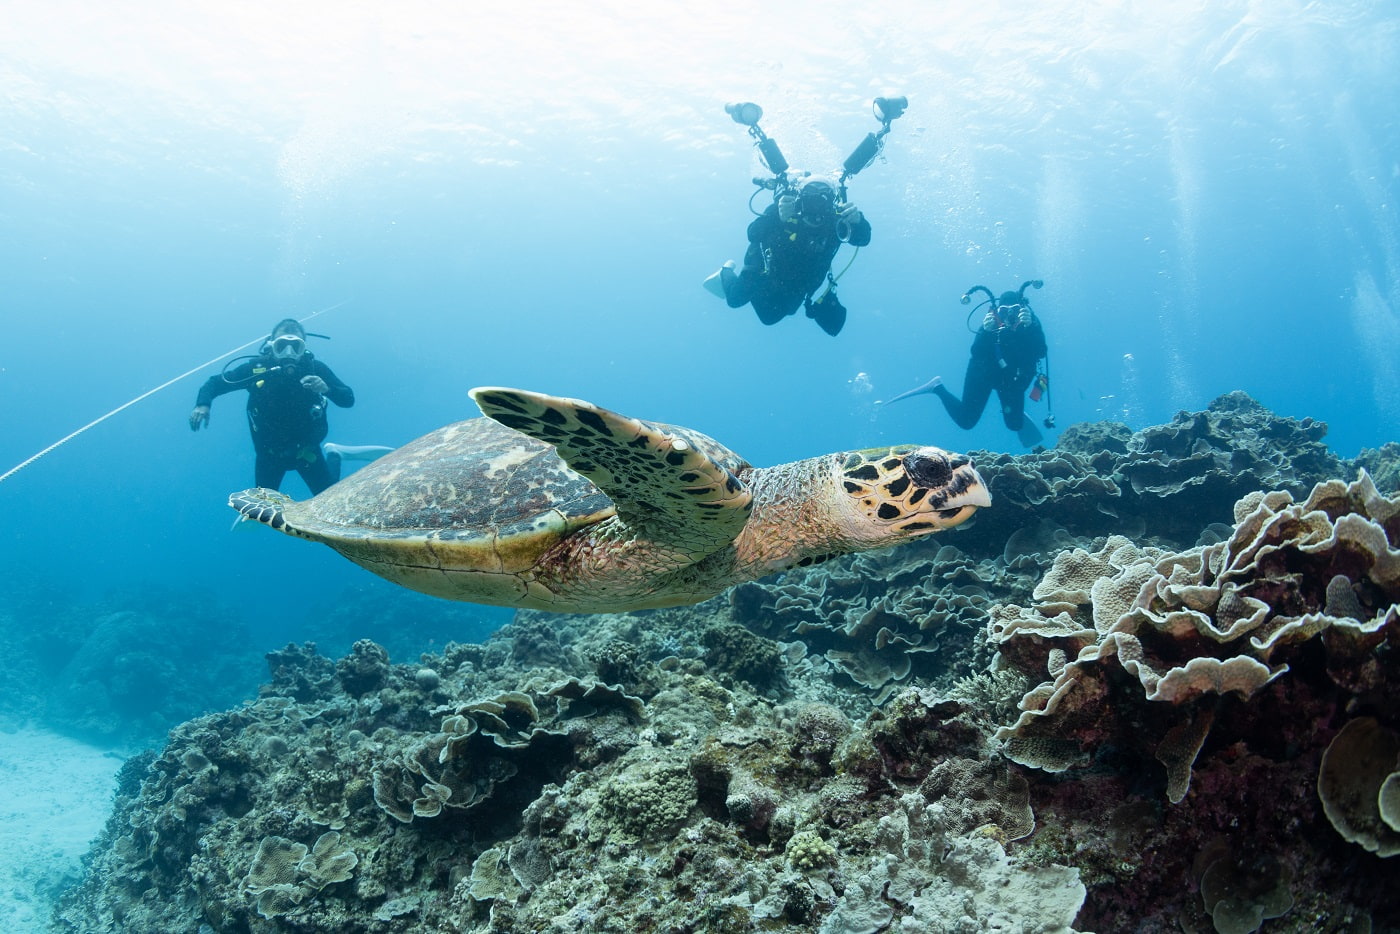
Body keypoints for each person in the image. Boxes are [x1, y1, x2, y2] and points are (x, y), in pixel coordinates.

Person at [189, 317, 357, 495]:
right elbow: (215, 383)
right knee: (264, 506)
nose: (288, 352)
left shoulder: (315, 369)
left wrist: (327, 389)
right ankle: (333, 455)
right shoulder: (257, 369)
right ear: (271, 345)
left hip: (307, 452)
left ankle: (334, 454)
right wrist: (202, 405)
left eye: (296, 346)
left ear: (304, 348)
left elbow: (348, 399)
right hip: (269, 456)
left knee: (329, 498)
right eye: (282, 345)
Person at [883, 281, 1050, 447]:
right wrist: (986, 332)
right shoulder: (991, 323)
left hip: (1012, 381)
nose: (1009, 315)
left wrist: (1031, 328)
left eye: (1015, 310)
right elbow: (976, 352)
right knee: (966, 421)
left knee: (1015, 425)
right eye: (1004, 311)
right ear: (998, 311)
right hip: (984, 375)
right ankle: (937, 387)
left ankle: (1011, 409)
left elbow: (1041, 351)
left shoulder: (1030, 323)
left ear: (1022, 309)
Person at [705, 175, 871, 336]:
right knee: (735, 299)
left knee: (769, 317)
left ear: (832, 199)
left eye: (823, 195)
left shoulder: (836, 222)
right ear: (801, 195)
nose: (817, 201)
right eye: (811, 193)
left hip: (795, 281)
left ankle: (758, 291)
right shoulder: (785, 209)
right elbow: (753, 234)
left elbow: (863, 239)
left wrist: (858, 221)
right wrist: (777, 217)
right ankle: (725, 270)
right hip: (762, 267)